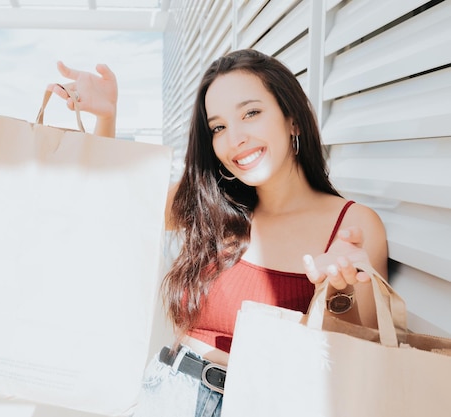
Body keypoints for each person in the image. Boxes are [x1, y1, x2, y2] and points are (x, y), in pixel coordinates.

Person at [48, 49, 388, 417]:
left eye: (251, 113)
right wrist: (106, 118)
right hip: (169, 396)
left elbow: (366, 359)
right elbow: (115, 209)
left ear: (293, 120)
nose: (235, 139)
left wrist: (347, 290)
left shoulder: (353, 226)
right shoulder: (209, 202)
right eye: (219, 127)